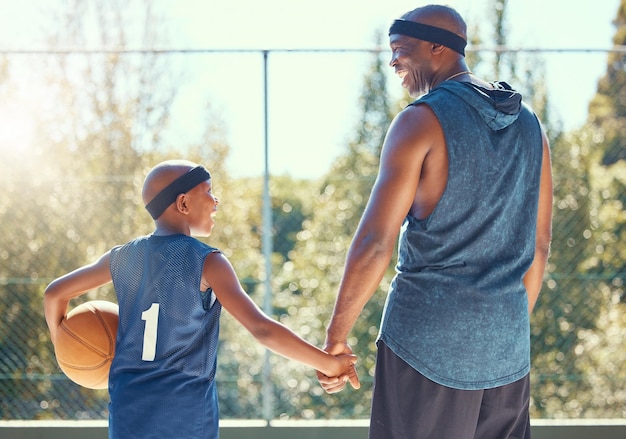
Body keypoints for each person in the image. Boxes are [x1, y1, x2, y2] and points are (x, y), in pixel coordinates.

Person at [317, 4, 553, 439]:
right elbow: (539, 245)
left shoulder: (419, 122)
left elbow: (375, 242)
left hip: (425, 344)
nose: (392, 62)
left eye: (399, 49)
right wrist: (500, 328)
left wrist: (335, 339)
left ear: (437, 47)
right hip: (506, 349)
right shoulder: (530, 127)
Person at [44, 159, 357, 439]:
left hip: (129, 411)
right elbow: (261, 329)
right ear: (183, 203)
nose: (216, 199)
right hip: (185, 414)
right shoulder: (208, 261)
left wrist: (69, 344)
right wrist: (328, 363)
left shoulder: (122, 257)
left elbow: (55, 293)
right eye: (208, 191)